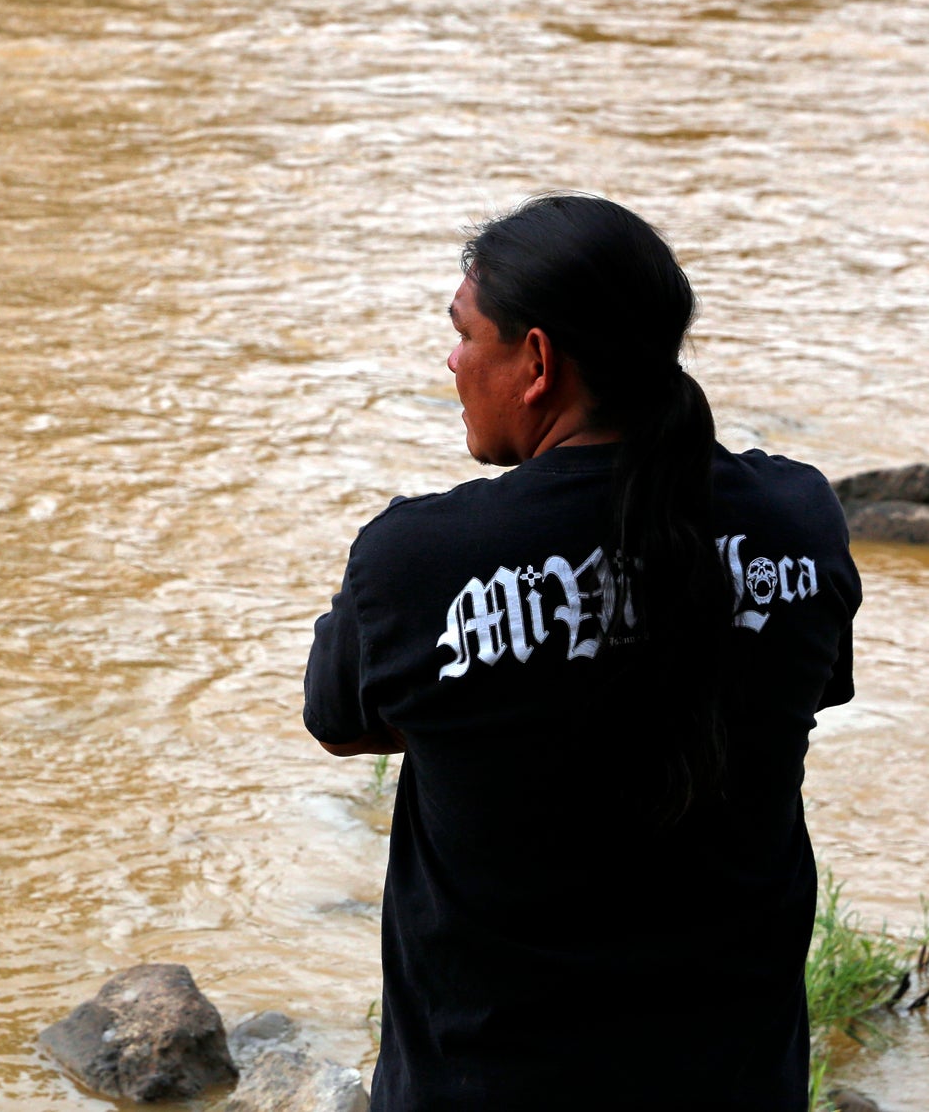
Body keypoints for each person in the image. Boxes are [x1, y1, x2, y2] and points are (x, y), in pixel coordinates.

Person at [303, 193, 860, 1112]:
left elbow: (343, 723)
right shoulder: (797, 519)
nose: (451, 359)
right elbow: (801, 679)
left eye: (464, 333)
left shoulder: (423, 559)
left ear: (536, 361)